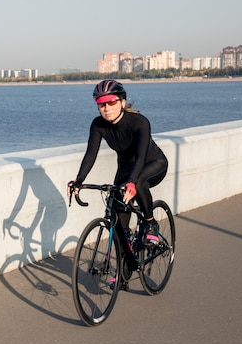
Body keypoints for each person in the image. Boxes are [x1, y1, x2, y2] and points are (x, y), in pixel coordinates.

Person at [67, 79, 168, 245]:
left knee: (139, 182)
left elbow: (141, 156)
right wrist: (78, 181)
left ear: (122, 102)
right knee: (117, 208)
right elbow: (91, 154)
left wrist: (132, 182)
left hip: (153, 164)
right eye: (101, 105)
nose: (106, 109)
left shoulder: (139, 122)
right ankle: (127, 256)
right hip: (126, 167)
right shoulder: (98, 125)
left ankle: (151, 223)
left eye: (111, 102)